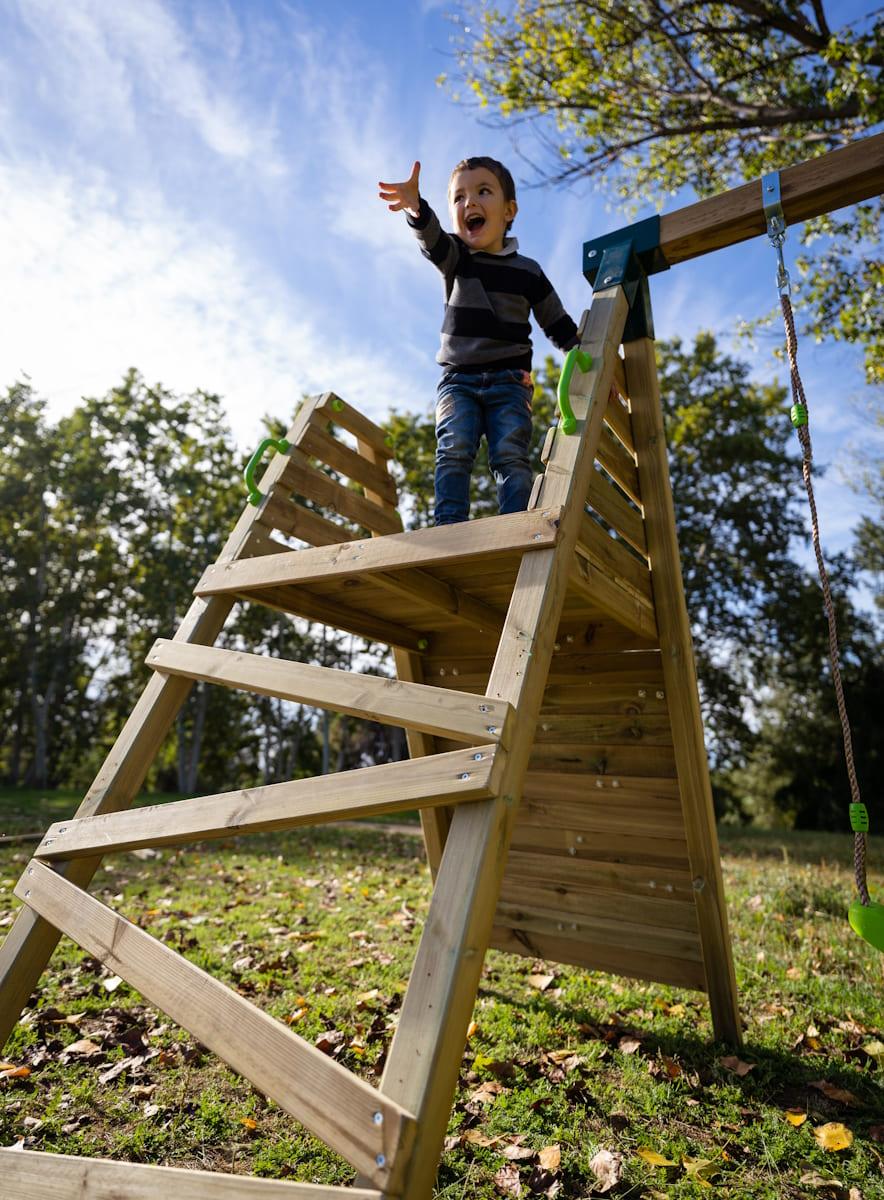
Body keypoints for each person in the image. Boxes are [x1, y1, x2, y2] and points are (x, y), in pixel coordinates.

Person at [378, 157, 579, 525]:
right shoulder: (456, 258)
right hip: (458, 381)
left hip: (510, 383)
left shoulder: (528, 271)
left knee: (510, 456)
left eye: (483, 192)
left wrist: (587, 362)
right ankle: (448, 527)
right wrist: (416, 208)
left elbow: (559, 325)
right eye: (458, 197)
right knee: (453, 449)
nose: (469, 202)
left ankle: (515, 524)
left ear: (509, 211)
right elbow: (432, 240)